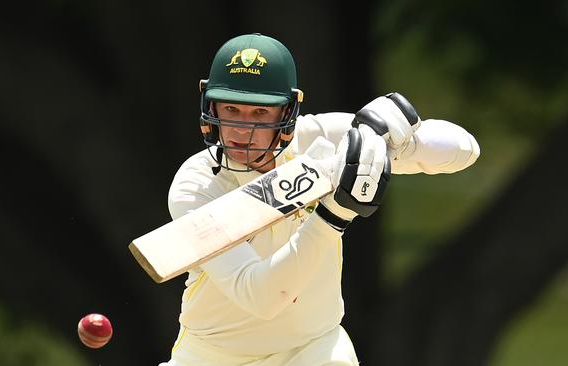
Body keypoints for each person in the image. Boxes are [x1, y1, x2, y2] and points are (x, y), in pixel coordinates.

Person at [159, 33, 480, 366]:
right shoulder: (196, 187)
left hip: (315, 351)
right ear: (210, 107)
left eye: (259, 113)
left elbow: (464, 150)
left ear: (287, 113)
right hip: (212, 358)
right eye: (231, 109)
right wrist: (333, 216)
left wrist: (388, 132)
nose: (242, 130)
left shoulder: (319, 138)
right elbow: (262, 297)